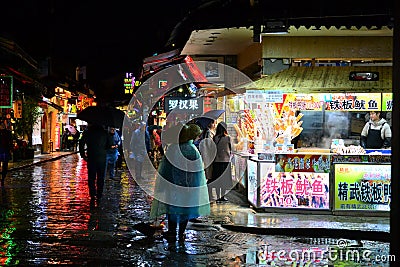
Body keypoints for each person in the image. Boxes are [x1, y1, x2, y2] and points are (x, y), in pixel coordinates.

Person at [150, 123, 210, 242]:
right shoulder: (193, 150)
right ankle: (181, 233)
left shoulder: (172, 149)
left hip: (172, 186)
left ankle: (172, 232)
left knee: (172, 209)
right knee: (185, 210)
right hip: (188, 187)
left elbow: (165, 169)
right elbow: (197, 171)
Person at [79, 123, 113, 206]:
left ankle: (92, 194)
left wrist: (83, 155)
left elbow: (81, 143)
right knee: (101, 177)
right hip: (102, 158)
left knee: (91, 177)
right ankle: (99, 194)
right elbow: (110, 145)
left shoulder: (88, 132)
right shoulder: (105, 133)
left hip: (91, 157)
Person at [210, 121, 233, 202]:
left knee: (217, 180)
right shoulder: (228, 138)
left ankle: (217, 197)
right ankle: (222, 197)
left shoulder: (215, 138)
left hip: (216, 162)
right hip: (225, 162)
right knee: (224, 181)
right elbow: (231, 149)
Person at [198, 120, 216, 199]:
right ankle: (209, 194)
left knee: (210, 175)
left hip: (208, 156)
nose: (215, 124)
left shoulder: (208, 132)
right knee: (210, 175)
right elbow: (209, 145)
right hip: (209, 156)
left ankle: (209, 193)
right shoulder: (209, 133)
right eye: (214, 123)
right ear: (211, 124)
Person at [0, 122, 13, 186]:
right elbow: (10, 142)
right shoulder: (8, 132)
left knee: (5, 165)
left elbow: (10, 142)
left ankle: (2, 178)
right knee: (5, 165)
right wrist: (11, 149)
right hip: (5, 150)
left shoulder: (8, 133)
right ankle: (2, 178)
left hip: (4, 150)